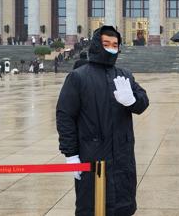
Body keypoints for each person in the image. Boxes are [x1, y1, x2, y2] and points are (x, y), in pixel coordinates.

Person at [56, 25, 149, 215]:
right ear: (97, 45)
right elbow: (65, 116)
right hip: (92, 156)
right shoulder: (78, 77)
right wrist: (70, 153)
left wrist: (132, 101)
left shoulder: (124, 75)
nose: (111, 48)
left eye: (115, 45)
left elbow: (143, 102)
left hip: (122, 157)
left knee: (122, 206)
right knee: (92, 206)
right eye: (106, 43)